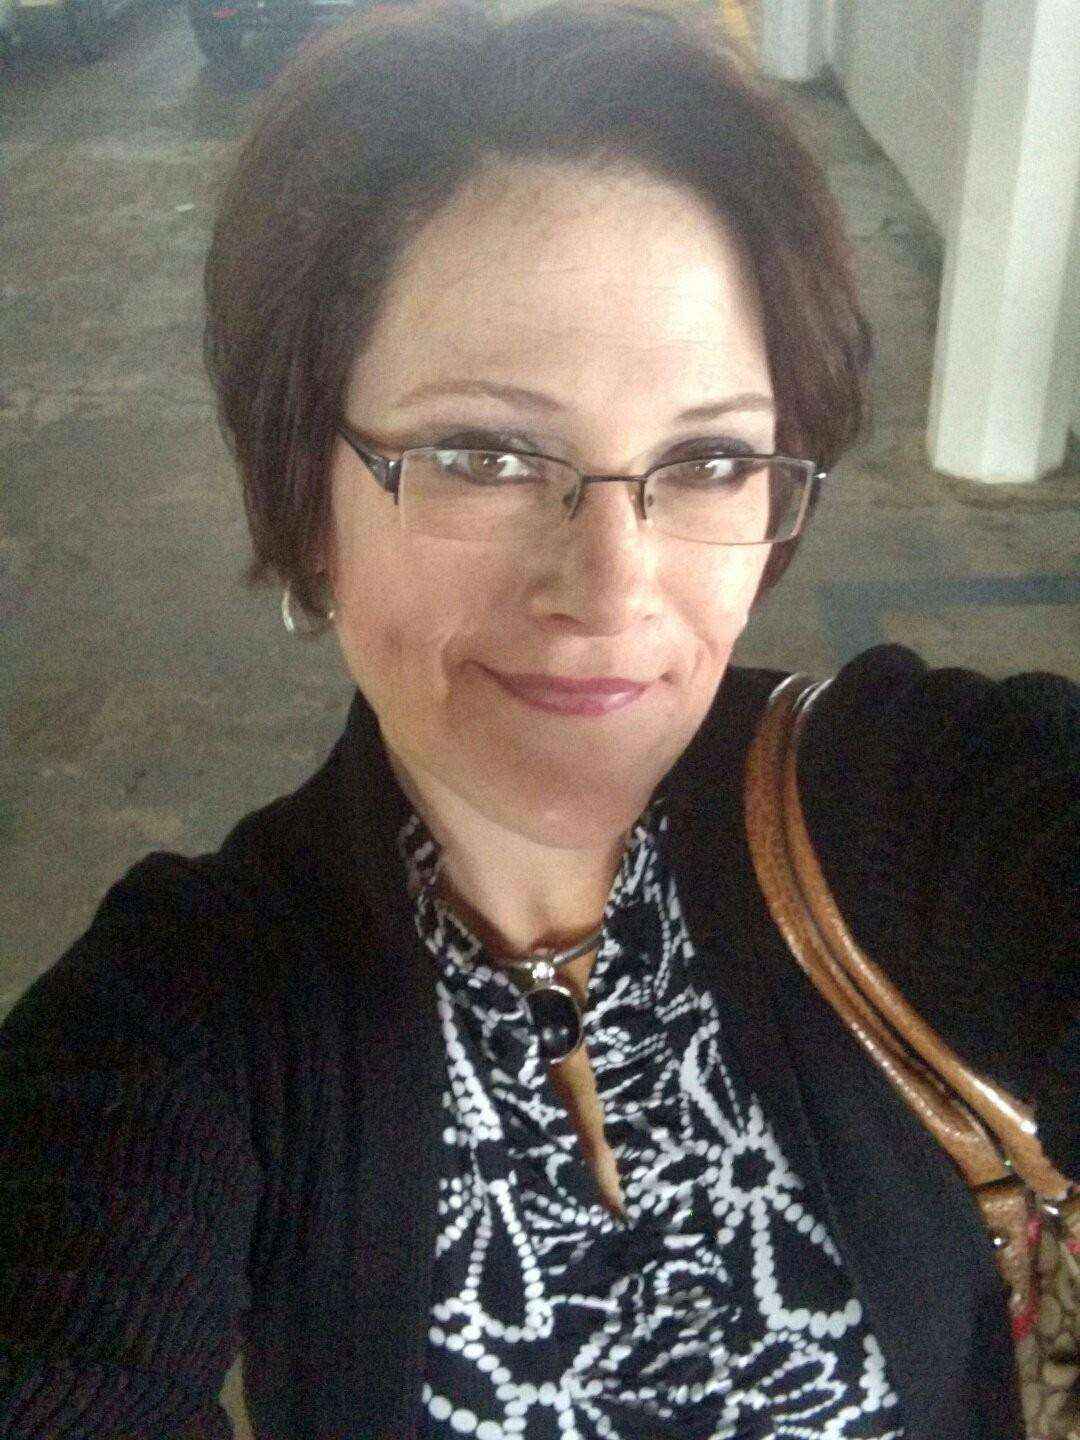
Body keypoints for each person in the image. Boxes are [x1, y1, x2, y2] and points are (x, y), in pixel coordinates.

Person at [1, 3, 1076, 1438]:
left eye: (709, 458)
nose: (613, 589)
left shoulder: (907, 804)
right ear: (305, 497)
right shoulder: (194, 1013)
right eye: (485, 454)